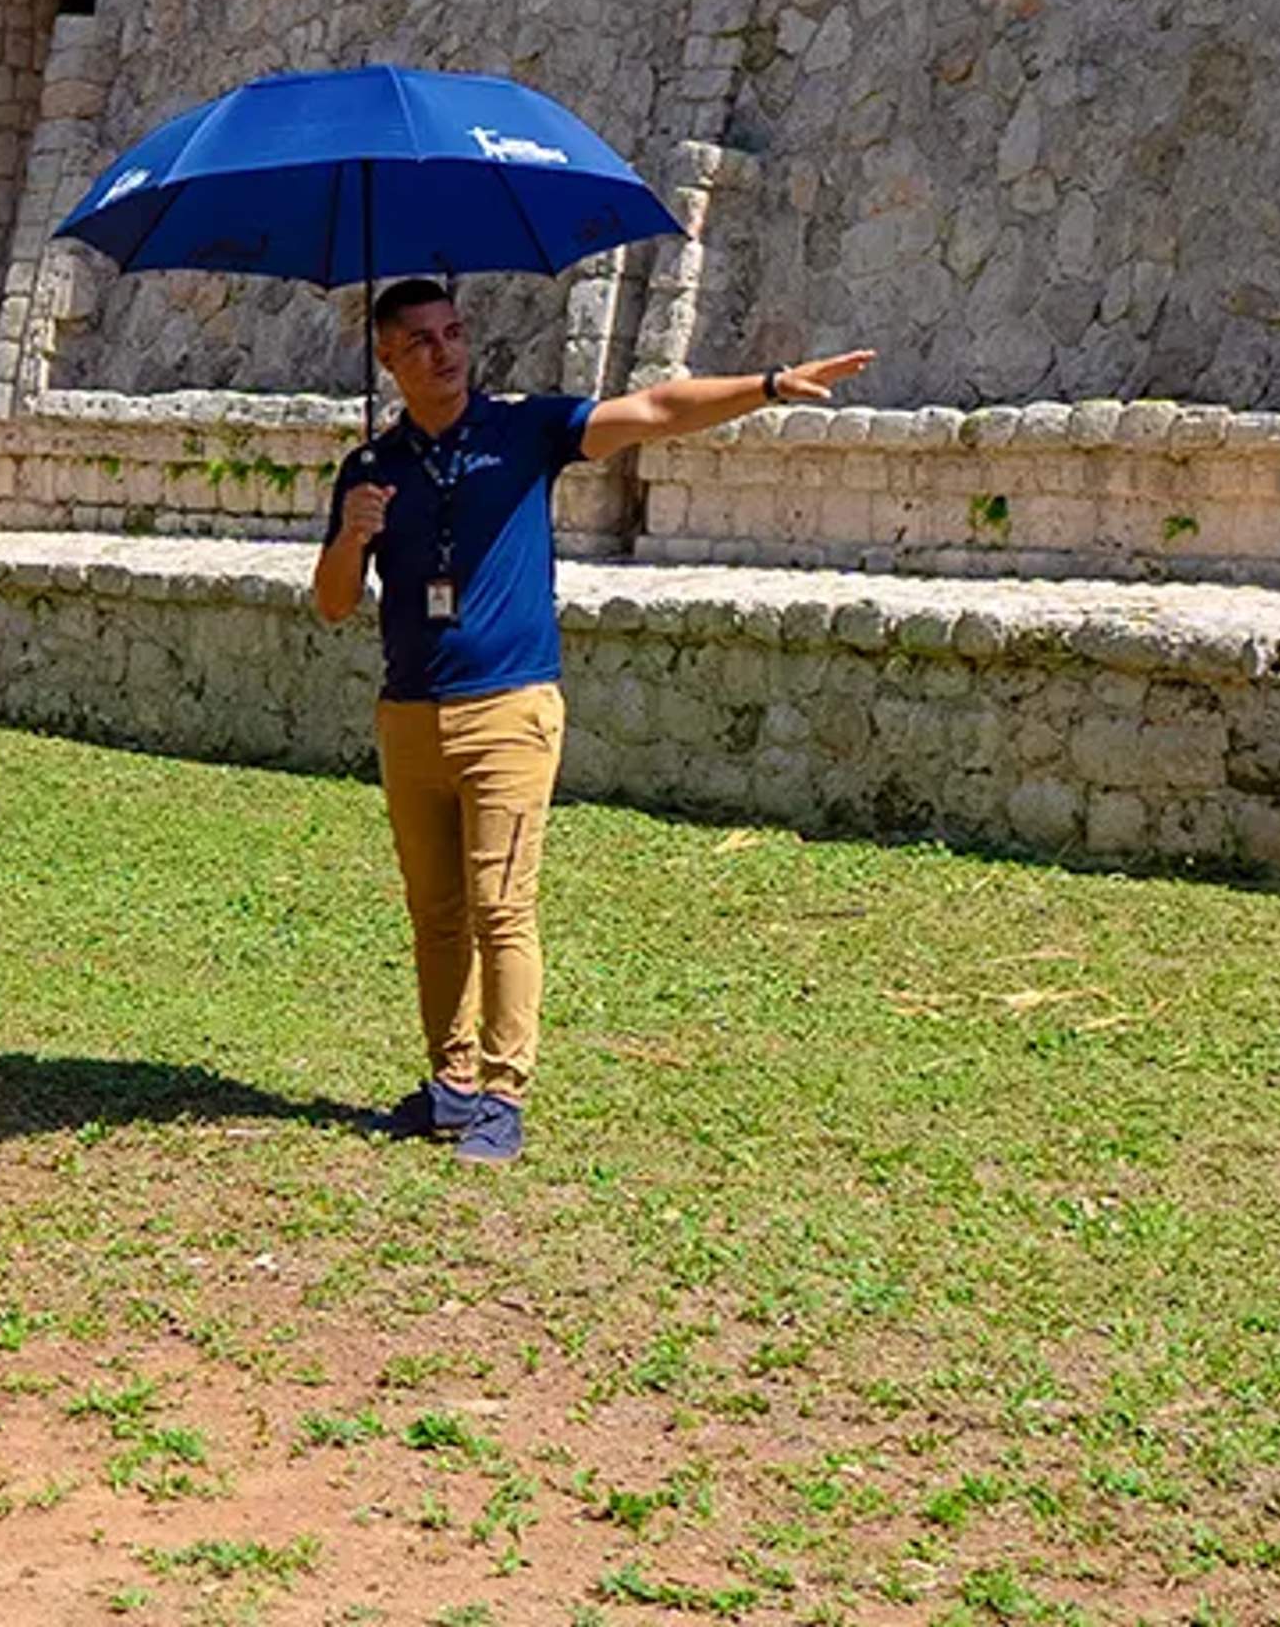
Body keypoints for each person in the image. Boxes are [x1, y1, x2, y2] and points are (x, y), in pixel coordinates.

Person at [311, 281, 873, 1165]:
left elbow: (652, 408)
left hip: (509, 709)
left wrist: (765, 385)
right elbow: (334, 604)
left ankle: (503, 1093)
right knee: (436, 914)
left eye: (454, 333)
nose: (445, 351)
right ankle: (451, 1083)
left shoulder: (525, 430)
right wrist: (352, 533)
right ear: (386, 359)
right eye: (419, 341)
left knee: (502, 908)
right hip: (410, 713)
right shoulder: (370, 471)